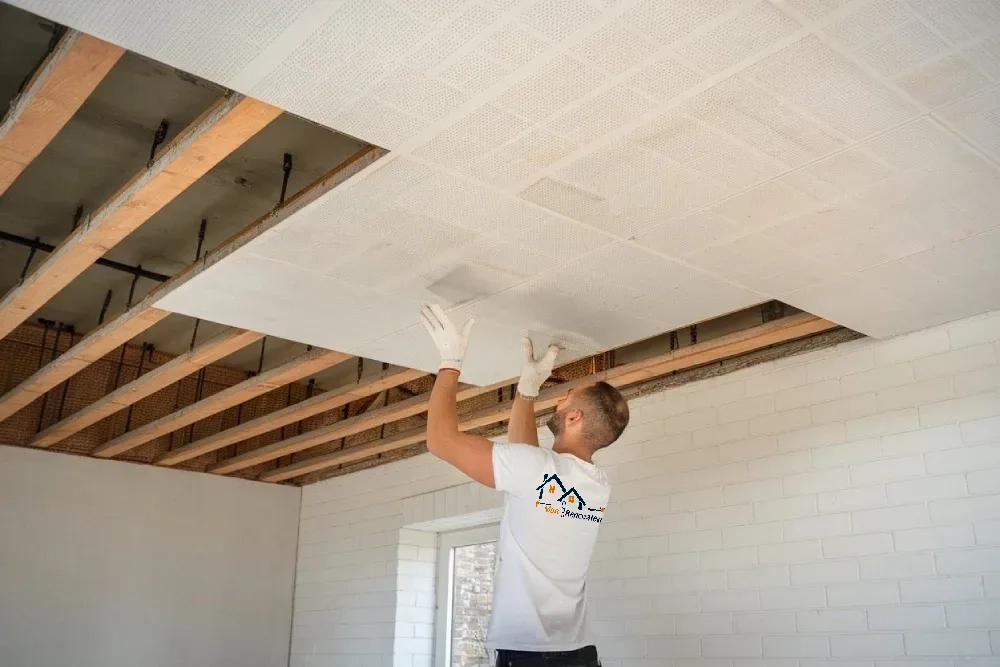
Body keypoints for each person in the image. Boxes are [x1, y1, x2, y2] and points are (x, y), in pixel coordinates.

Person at [419, 304, 630, 667]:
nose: (561, 400)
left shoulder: (540, 471)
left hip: (531, 655)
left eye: (566, 399)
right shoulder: (596, 486)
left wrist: (450, 362)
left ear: (574, 417)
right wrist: (527, 390)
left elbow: (440, 440)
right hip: (577, 652)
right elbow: (526, 461)